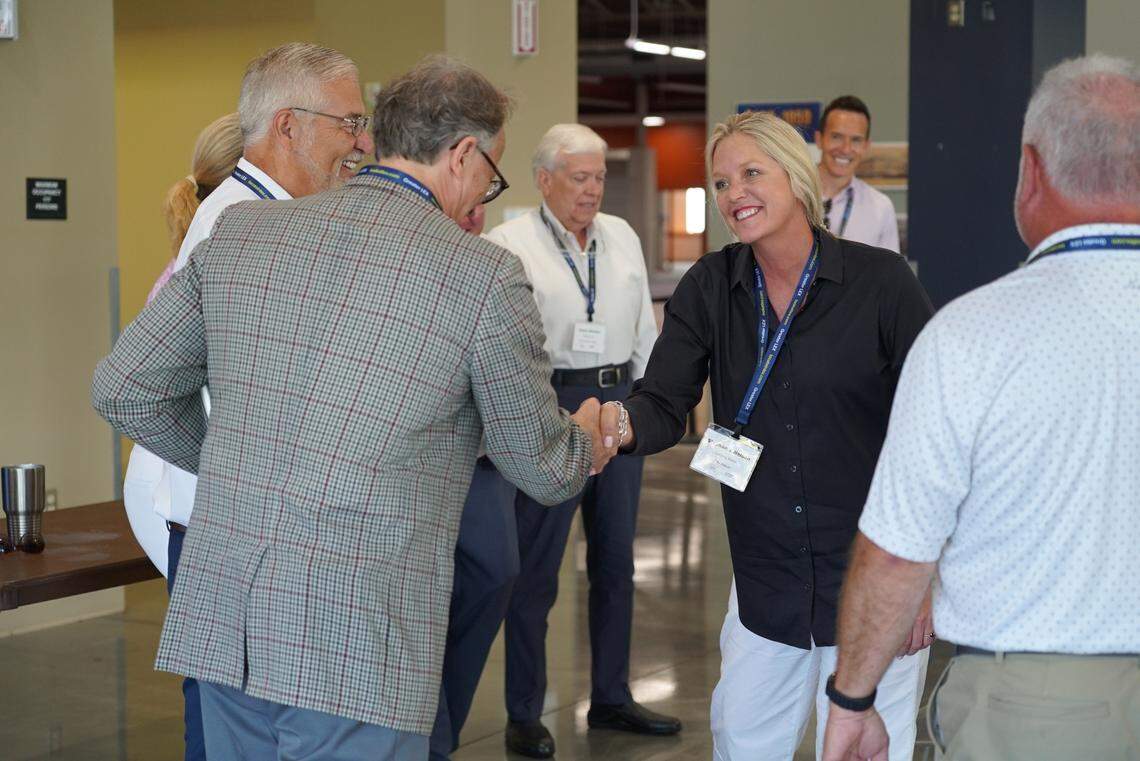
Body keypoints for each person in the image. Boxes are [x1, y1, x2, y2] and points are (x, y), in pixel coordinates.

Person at [93, 54, 623, 760]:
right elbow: (545, 467)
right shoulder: (482, 274)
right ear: (463, 154)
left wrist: (230, 460)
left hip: (227, 623)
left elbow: (125, 386)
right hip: (357, 638)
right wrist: (587, 435)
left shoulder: (243, 233)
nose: (482, 194)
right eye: (489, 172)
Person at [822, 54, 1140, 761]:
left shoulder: (971, 335)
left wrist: (853, 699)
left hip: (1038, 714)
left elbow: (897, 554)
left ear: (1031, 172)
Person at [613, 111, 935, 760]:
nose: (734, 194)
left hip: (875, 577)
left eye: (751, 174)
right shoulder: (711, 287)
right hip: (766, 580)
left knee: (866, 751)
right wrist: (616, 425)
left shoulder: (881, 284)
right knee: (743, 740)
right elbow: (663, 402)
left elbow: (934, 431)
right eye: (722, 182)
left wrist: (925, 575)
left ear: (796, 177)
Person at [117, 42, 373, 760]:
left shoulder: (275, 216)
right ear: (289, 127)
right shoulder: (236, 224)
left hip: (246, 519)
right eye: (349, 123)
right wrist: (233, 464)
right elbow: (141, 384)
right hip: (224, 525)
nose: (363, 142)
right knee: (233, 729)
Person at [482, 123, 674, 759]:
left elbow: (644, 325)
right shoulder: (510, 243)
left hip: (618, 406)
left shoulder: (619, 236)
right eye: (579, 177)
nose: (593, 189)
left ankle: (612, 696)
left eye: (598, 177)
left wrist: (644, 410)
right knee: (536, 569)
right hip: (551, 408)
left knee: (617, 561)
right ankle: (523, 712)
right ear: (544, 180)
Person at [124, 111, 243, 582]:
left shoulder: (196, 254)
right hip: (172, 481)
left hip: (176, 476)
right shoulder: (206, 262)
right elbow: (131, 388)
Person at [429, 199, 524, 761]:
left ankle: (442, 731)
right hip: (420, 468)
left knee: (496, 574)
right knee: (420, 604)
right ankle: (433, 740)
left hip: (485, 464)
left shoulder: (493, 266)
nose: (474, 214)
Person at [814, 96, 900, 253]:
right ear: (819, 139)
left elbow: (887, 276)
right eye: (836, 137)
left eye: (856, 140)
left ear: (866, 146)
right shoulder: (790, 193)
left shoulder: (881, 207)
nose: (846, 149)